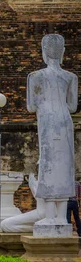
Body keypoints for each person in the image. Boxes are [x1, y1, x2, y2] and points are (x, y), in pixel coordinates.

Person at [27, 33, 78, 226]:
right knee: (64, 166)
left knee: (48, 164)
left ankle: (49, 217)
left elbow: (32, 106)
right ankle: (61, 218)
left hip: (47, 120)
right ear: (63, 52)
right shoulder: (70, 77)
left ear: (44, 53)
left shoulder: (35, 76)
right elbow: (72, 107)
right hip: (64, 120)